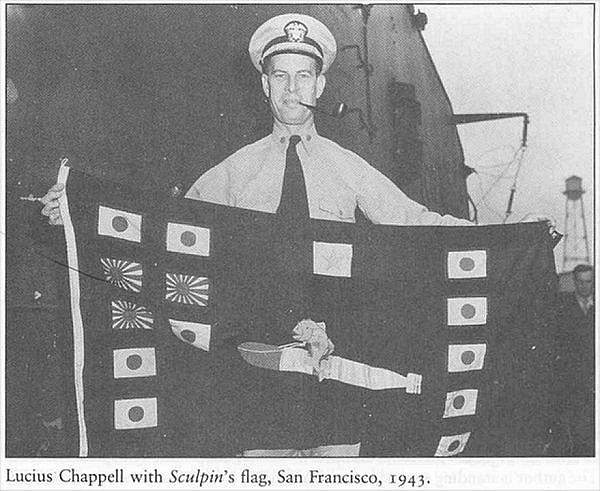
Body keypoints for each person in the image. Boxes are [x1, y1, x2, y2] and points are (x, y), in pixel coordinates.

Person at [39, 13, 554, 457]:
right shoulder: (233, 173)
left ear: (321, 86)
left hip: (341, 372)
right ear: (264, 86)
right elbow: (163, 233)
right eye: (280, 76)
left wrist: (515, 239)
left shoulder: (349, 168)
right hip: (257, 376)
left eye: (303, 76)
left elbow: (418, 223)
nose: (292, 89)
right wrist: (77, 216)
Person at [554, 264, 595, 456]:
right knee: (575, 424)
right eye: (580, 281)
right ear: (574, 281)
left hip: (594, 377)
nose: (584, 286)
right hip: (572, 378)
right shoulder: (563, 307)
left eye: (589, 282)